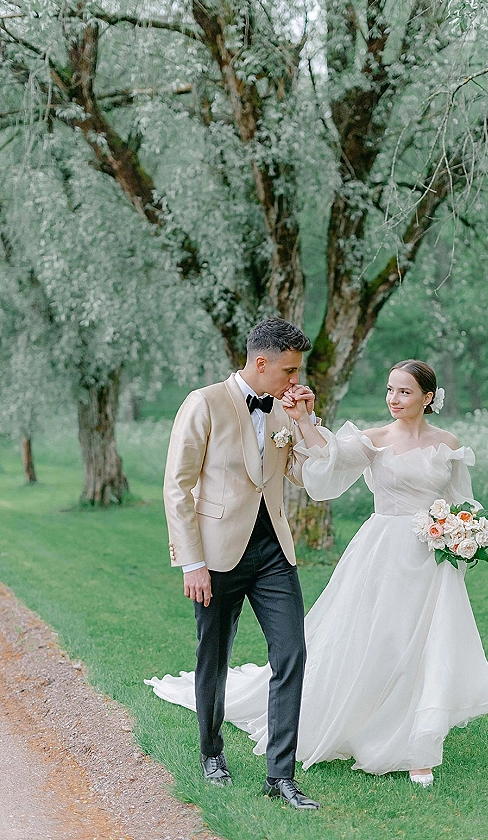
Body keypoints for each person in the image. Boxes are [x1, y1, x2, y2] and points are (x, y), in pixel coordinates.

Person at [148, 359, 488, 787]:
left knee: (428, 645)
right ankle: (360, 728)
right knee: (377, 640)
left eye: (405, 392)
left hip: (431, 560)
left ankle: (418, 744)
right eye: (390, 390)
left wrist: (463, 532)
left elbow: (461, 502)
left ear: (428, 397)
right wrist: (306, 422)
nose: (393, 399)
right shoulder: (373, 440)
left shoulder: (448, 443)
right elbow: (326, 463)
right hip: (382, 554)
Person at [154, 318, 320, 810]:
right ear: (260, 362)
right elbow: (176, 487)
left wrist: (306, 420)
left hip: (274, 554)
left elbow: (305, 476)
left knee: (291, 655)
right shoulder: (203, 403)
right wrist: (192, 563)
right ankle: (211, 753)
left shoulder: (286, 406)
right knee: (214, 657)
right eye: (288, 371)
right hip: (217, 555)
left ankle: (281, 776)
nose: (294, 380)